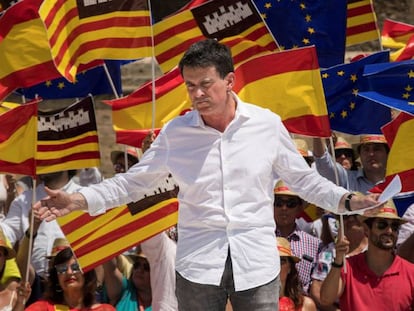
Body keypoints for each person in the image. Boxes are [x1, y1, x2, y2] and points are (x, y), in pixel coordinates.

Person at [35, 39, 380, 311]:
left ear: (229, 81)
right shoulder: (175, 133)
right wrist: (78, 199)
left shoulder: (266, 125)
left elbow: (304, 181)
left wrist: (347, 199)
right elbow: (133, 183)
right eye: (190, 86)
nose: (197, 94)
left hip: (257, 263)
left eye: (205, 84)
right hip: (198, 266)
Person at [320, 200, 414, 310]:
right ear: (366, 230)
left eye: (394, 227)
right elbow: (325, 299)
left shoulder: (410, 272)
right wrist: (339, 259)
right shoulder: (348, 267)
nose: (389, 231)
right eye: (382, 225)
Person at [0, 170, 80, 279]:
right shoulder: (24, 200)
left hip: (75, 280)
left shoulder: (84, 198)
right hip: (34, 285)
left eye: (51, 155)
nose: (46, 159)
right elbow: (5, 234)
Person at [25, 247, 115, 311]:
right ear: (56, 277)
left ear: (87, 274)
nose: (69, 272)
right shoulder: (41, 308)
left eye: (75, 267)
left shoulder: (105, 309)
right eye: (62, 269)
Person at [309, 214, 368, 311]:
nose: (350, 219)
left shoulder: (374, 251)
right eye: (345, 216)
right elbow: (316, 291)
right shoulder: (329, 252)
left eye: (356, 215)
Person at [274, 180, 322, 294]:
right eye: (278, 202)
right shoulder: (260, 240)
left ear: (300, 208)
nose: (284, 208)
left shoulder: (316, 245)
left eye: (290, 203)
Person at [313, 134, 389, 193]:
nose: (371, 154)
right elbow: (323, 162)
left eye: (377, 149)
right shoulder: (347, 178)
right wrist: (317, 133)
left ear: (387, 153)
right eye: (366, 150)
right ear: (360, 155)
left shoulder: (398, 180)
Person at [277, 237, 316, 311]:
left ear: (290, 268)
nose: (276, 265)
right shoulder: (252, 304)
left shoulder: (306, 306)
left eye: (282, 261)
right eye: (272, 261)